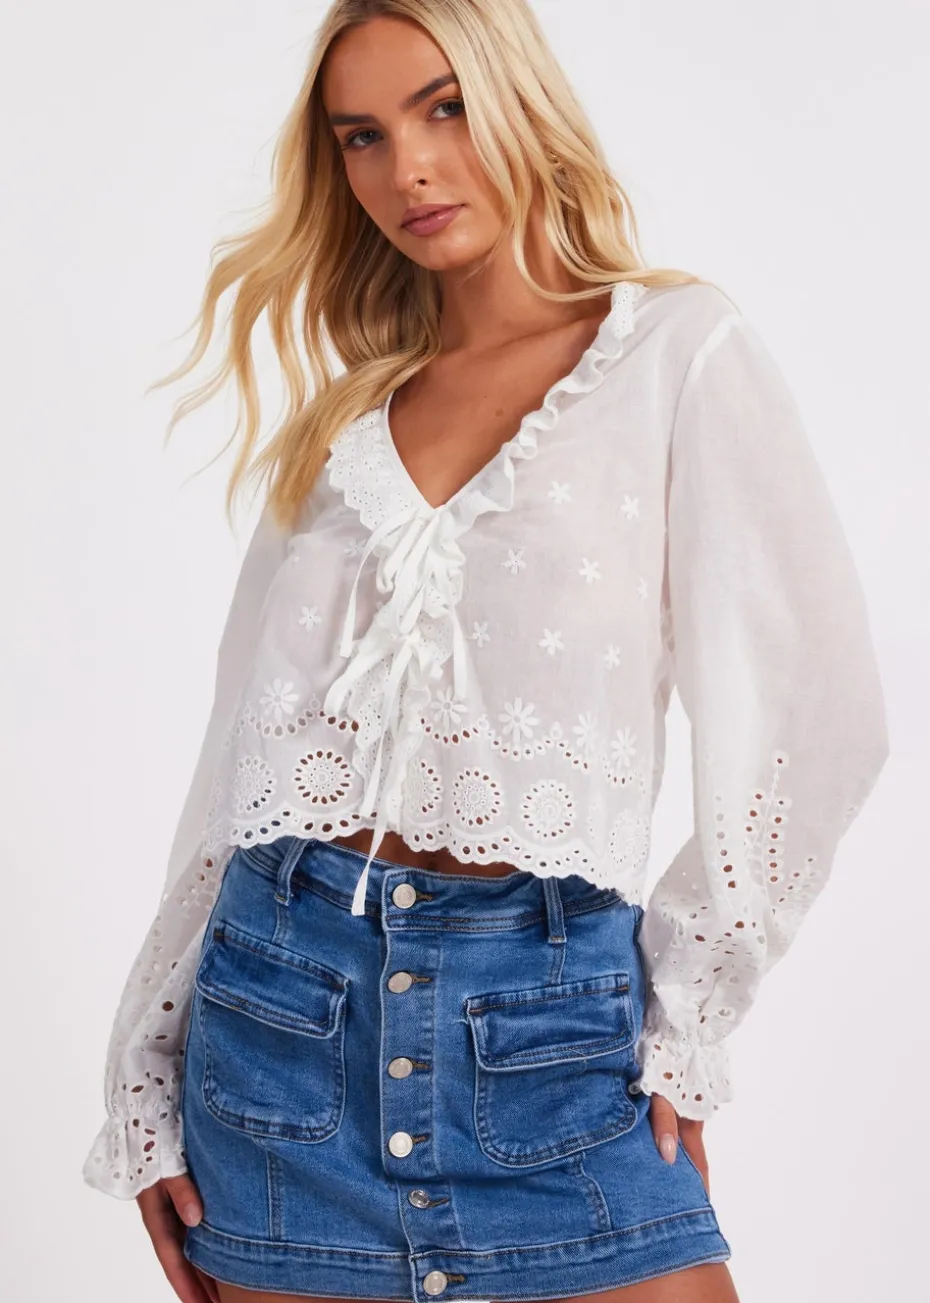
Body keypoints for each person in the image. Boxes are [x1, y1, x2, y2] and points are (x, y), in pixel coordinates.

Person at [81, 2, 890, 1301]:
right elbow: (237, 761)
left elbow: (817, 713)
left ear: (521, 101)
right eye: (362, 135)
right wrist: (145, 1067)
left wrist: (688, 1017)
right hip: (280, 1032)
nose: (407, 166)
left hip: (553, 1029)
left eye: (444, 108)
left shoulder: (676, 352)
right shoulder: (346, 423)